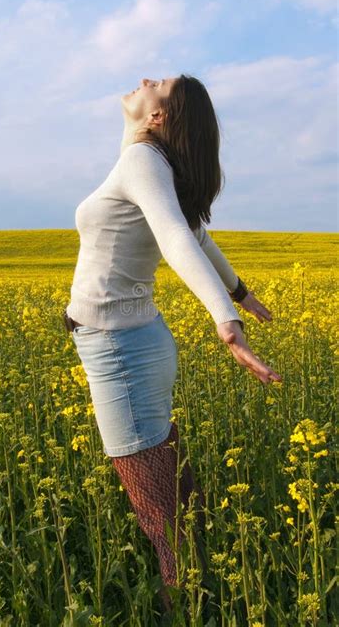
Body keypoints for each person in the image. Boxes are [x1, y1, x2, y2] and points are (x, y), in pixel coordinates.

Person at [63, 75, 282, 616]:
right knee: (168, 480)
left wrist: (226, 318)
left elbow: (179, 237)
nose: (145, 80)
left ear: (158, 118)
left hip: (121, 350)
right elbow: (196, 232)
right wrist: (239, 290)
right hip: (133, 344)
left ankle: (184, 607)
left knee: (155, 507)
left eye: (158, 85)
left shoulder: (144, 162)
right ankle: (209, 579)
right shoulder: (143, 161)